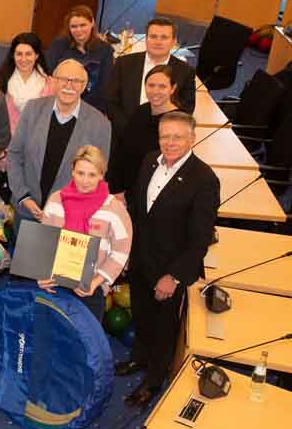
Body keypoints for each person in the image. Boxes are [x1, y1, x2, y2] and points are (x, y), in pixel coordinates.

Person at [115, 111, 218, 408]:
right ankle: (138, 358)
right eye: (164, 136)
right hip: (140, 260)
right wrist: (126, 254)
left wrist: (173, 276)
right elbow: (137, 211)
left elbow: (199, 240)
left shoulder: (205, 180)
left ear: (192, 139)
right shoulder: (149, 161)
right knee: (141, 315)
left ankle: (153, 381)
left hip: (168, 271)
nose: (169, 143)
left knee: (164, 329)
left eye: (177, 137)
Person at [7, 59, 112, 222]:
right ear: (53, 82)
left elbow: (99, 174)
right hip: (27, 209)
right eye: (63, 79)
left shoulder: (100, 124)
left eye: (76, 81)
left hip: (69, 217)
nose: (69, 85)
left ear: (84, 86)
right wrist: (23, 196)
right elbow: (14, 155)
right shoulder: (33, 109)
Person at [38, 146, 133, 322]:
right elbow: (44, 242)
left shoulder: (114, 208)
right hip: (54, 285)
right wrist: (42, 274)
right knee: (51, 341)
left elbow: (121, 250)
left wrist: (97, 281)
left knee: (84, 346)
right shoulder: (55, 200)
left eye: (92, 174)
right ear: (72, 172)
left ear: (102, 175)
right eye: (80, 173)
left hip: (91, 289)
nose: (85, 180)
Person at [106, 16, 196, 137]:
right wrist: (129, 129)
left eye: (164, 37)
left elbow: (186, 109)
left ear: (174, 42)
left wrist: (160, 132)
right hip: (124, 135)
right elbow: (111, 102)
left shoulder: (185, 71)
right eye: (153, 36)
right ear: (146, 39)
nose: (158, 42)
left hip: (164, 138)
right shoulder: (123, 63)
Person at [106, 65, 181, 198]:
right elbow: (122, 151)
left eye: (162, 86)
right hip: (124, 190)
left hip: (153, 194)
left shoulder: (178, 122)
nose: (155, 91)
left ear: (172, 89)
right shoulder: (141, 111)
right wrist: (116, 189)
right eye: (151, 85)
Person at [46, 5, 113, 111]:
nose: (78, 30)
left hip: (92, 106)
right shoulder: (58, 45)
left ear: (92, 23)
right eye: (74, 26)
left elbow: (105, 85)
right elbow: (49, 76)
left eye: (83, 25)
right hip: (60, 102)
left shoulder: (105, 49)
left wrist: (82, 107)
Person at [0, 32, 53, 132]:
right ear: (13, 56)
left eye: (28, 54)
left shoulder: (50, 85)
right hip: (6, 140)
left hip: (36, 139)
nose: (23, 59)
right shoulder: (0, 81)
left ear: (37, 55)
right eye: (19, 54)